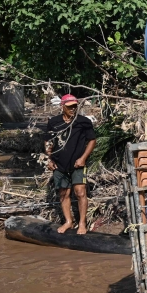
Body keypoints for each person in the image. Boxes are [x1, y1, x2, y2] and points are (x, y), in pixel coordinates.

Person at [45, 94, 96, 234]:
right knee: (63, 193)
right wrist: (49, 159)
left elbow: (92, 140)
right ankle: (68, 221)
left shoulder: (83, 122)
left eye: (75, 106)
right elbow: (48, 141)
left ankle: (82, 223)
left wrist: (83, 158)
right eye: (70, 107)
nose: (73, 109)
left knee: (80, 192)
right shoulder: (53, 122)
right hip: (59, 165)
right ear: (62, 107)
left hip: (78, 164)